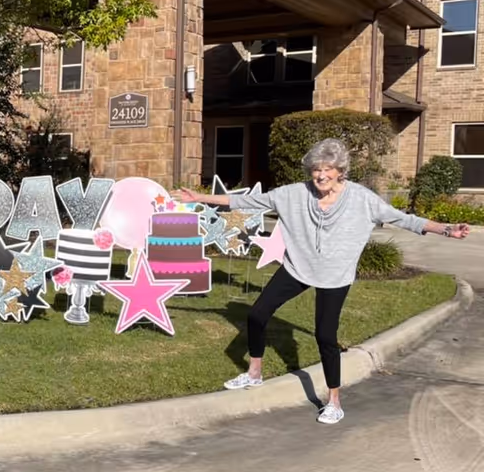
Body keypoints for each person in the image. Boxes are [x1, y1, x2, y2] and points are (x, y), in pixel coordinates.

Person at [173, 138, 470, 425]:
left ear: (340, 171)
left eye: (328, 169)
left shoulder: (362, 199)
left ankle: (334, 402)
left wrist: (446, 229)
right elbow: (248, 201)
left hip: (334, 276)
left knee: (325, 336)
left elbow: (403, 219)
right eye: (316, 169)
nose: (321, 175)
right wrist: (200, 198)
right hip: (297, 268)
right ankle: (254, 372)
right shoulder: (292, 194)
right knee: (257, 314)